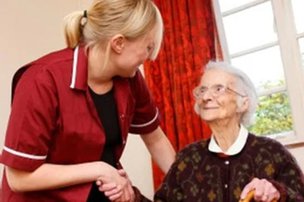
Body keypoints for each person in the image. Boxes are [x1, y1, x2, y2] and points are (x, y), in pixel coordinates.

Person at [0, 0, 176, 201]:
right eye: (148, 47)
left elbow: (155, 138)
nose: (150, 57)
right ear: (118, 43)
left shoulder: (131, 79)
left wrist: (186, 184)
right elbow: (18, 178)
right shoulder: (41, 80)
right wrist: (99, 169)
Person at [154, 61, 304, 202]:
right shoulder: (187, 158)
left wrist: (278, 192)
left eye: (218, 89)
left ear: (244, 103)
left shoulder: (273, 152)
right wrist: (132, 195)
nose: (206, 97)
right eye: (202, 90)